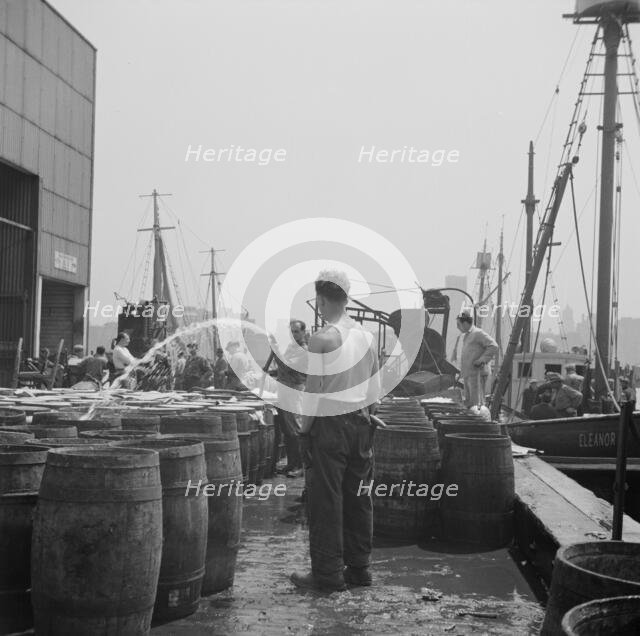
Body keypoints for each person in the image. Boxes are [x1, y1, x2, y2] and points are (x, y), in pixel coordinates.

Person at [290, 269, 380, 593]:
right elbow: (374, 392)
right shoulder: (368, 338)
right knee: (359, 499)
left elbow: (314, 394)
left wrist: (303, 432)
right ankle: (359, 569)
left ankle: (327, 575)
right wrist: (368, 417)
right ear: (347, 298)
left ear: (322, 300)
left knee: (326, 501)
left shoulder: (322, 338)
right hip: (361, 424)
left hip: (330, 426)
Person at [271, 320, 308, 478]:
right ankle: (291, 463)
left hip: (294, 391)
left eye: (296, 332)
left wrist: (275, 348)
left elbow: (287, 367)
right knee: (287, 430)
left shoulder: (303, 350)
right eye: (291, 332)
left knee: (295, 430)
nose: (293, 335)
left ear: (303, 333)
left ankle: (300, 466)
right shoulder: (291, 348)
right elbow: (282, 368)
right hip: (285, 389)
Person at [455, 312, 499, 408]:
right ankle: (471, 420)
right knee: (469, 403)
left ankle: (478, 419)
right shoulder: (466, 335)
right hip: (468, 374)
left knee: (476, 403)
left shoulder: (477, 333)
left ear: (465, 323)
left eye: (458, 324)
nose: (457, 327)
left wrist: (482, 359)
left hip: (477, 374)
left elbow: (493, 346)